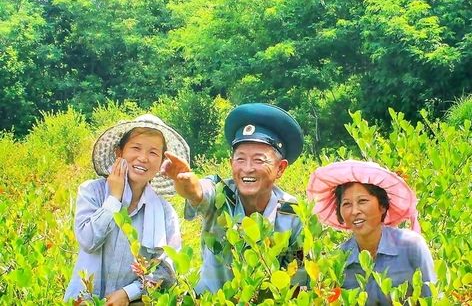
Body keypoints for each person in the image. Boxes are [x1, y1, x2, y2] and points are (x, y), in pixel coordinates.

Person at [161, 103, 306, 294]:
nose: (247, 168)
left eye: (259, 160)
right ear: (231, 163)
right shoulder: (220, 193)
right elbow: (198, 192)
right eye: (240, 159)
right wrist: (185, 181)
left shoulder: (293, 214)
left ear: (280, 168)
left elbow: (296, 284)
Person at [64, 114, 190, 305]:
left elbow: (167, 269)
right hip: (83, 301)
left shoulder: (165, 212)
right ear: (119, 153)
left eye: (153, 153)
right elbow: (88, 241)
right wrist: (114, 199)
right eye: (136, 148)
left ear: (162, 163)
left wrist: (128, 293)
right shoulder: (92, 192)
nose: (143, 158)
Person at [306, 160, 436, 305]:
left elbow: (432, 300)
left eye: (362, 201)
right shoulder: (338, 259)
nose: (354, 211)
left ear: (382, 206)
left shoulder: (411, 246)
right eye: (347, 204)